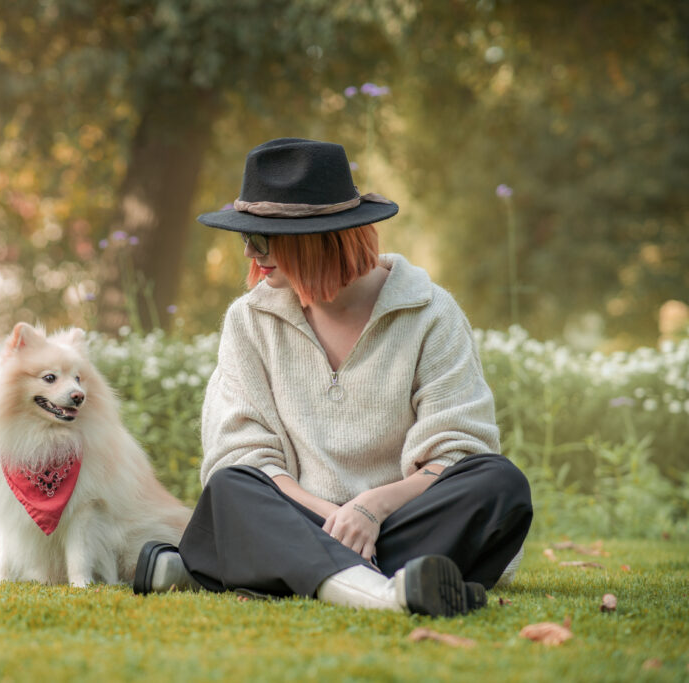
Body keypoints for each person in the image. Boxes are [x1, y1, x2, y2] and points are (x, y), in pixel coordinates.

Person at [132, 138, 532, 617]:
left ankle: (248, 569)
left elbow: (458, 450)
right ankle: (386, 593)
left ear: (321, 237)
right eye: (247, 238)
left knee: (499, 483)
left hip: (401, 519)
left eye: (264, 240)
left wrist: (372, 510)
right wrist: (338, 521)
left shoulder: (431, 313)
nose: (253, 257)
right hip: (299, 515)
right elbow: (245, 454)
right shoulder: (248, 320)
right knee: (232, 487)